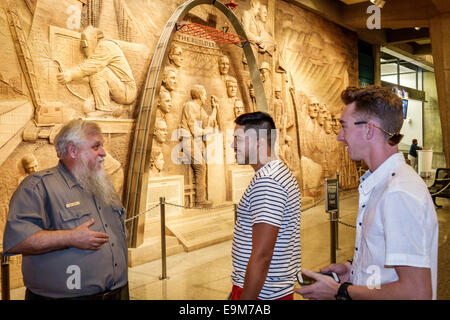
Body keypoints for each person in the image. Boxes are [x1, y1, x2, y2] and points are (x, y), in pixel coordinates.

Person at [296, 86, 438, 300]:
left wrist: (340, 292)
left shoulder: (398, 193)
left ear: (369, 130)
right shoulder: (383, 184)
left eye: (344, 126)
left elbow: (417, 293)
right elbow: (388, 270)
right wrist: (353, 270)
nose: (339, 137)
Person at [2, 119, 128, 300]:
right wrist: (70, 237)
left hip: (118, 292)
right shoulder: (37, 187)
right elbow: (17, 241)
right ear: (73, 150)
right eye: (95, 147)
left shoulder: (104, 185)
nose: (103, 153)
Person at [230, 112, 301, 300]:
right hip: (266, 289)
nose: (233, 145)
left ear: (259, 143)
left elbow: (262, 255)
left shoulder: (268, 182)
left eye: (238, 139)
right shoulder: (276, 173)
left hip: (263, 293)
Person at [56, 26, 137, 115]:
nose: (84, 50)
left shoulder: (105, 46)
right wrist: (71, 77)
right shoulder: (101, 49)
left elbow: (92, 66)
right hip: (115, 91)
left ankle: (104, 109)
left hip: (127, 91)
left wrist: (71, 74)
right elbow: (90, 78)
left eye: (85, 45)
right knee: (87, 108)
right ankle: (114, 108)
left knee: (99, 72)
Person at [179, 85, 219, 208]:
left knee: (202, 166)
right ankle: (200, 201)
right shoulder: (190, 106)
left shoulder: (199, 108)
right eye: (205, 95)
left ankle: (200, 200)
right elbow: (195, 129)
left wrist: (215, 108)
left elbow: (209, 122)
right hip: (188, 140)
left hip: (194, 142)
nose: (206, 97)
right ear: (200, 95)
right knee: (201, 167)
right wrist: (207, 131)